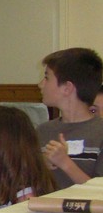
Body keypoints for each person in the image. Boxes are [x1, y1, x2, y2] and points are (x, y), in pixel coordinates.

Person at [37, 47, 103, 189]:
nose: (40, 84)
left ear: (67, 88)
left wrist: (65, 163)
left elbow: (99, 193)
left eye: (47, 78)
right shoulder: (42, 131)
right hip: (44, 210)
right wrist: (40, 164)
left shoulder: (100, 132)